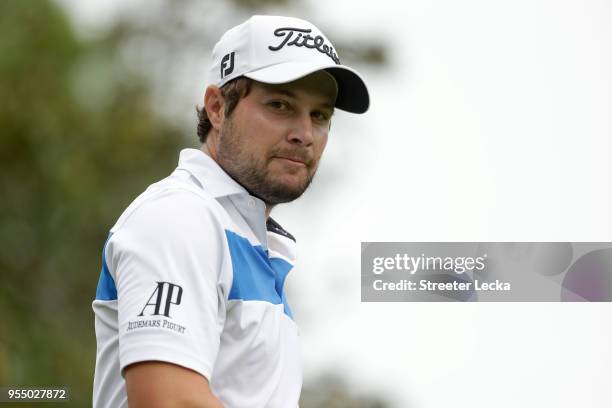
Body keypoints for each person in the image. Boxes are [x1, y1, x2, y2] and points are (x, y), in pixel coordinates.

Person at [92, 14, 369, 408]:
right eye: (279, 104)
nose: (304, 134)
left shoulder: (247, 237)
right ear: (218, 108)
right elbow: (168, 401)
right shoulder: (180, 216)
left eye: (320, 116)